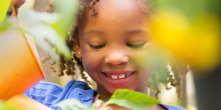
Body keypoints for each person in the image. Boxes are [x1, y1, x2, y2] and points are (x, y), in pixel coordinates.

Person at [23, 0, 188, 110]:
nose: (116, 58)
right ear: (78, 46)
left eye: (136, 43)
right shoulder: (45, 101)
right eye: (97, 45)